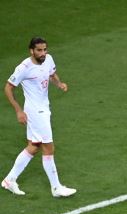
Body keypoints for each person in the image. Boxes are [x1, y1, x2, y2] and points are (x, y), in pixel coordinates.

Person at [2, 37, 76, 197]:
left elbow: (52, 73)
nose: (43, 53)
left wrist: (59, 83)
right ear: (31, 51)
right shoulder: (24, 68)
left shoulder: (48, 59)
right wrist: (18, 111)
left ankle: (9, 180)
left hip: (44, 108)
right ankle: (56, 188)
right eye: (39, 50)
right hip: (35, 112)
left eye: (45, 49)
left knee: (34, 146)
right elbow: (8, 88)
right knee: (48, 147)